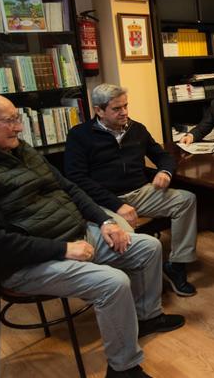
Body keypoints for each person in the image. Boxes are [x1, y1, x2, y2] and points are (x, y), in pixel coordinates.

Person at [0, 94, 184, 378]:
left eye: (18, 119)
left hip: (75, 235)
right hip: (25, 263)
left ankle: (147, 317)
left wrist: (104, 221)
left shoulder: (20, 150)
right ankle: (123, 369)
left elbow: (70, 188)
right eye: (10, 121)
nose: (19, 128)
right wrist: (63, 249)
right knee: (113, 283)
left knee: (149, 247)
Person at [65, 84, 199, 297]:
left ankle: (177, 264)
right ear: (99, 110)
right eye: (117, 109)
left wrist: (165, 171)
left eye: (126, 106)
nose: (125, 112)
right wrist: (118, 206)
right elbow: (77, 179)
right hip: (105, 201)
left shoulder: (137, 129)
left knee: (186, 199)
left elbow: (163, 156)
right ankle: (135, 292)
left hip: (141, 192)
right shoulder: (79, 135)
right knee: (125, 239)